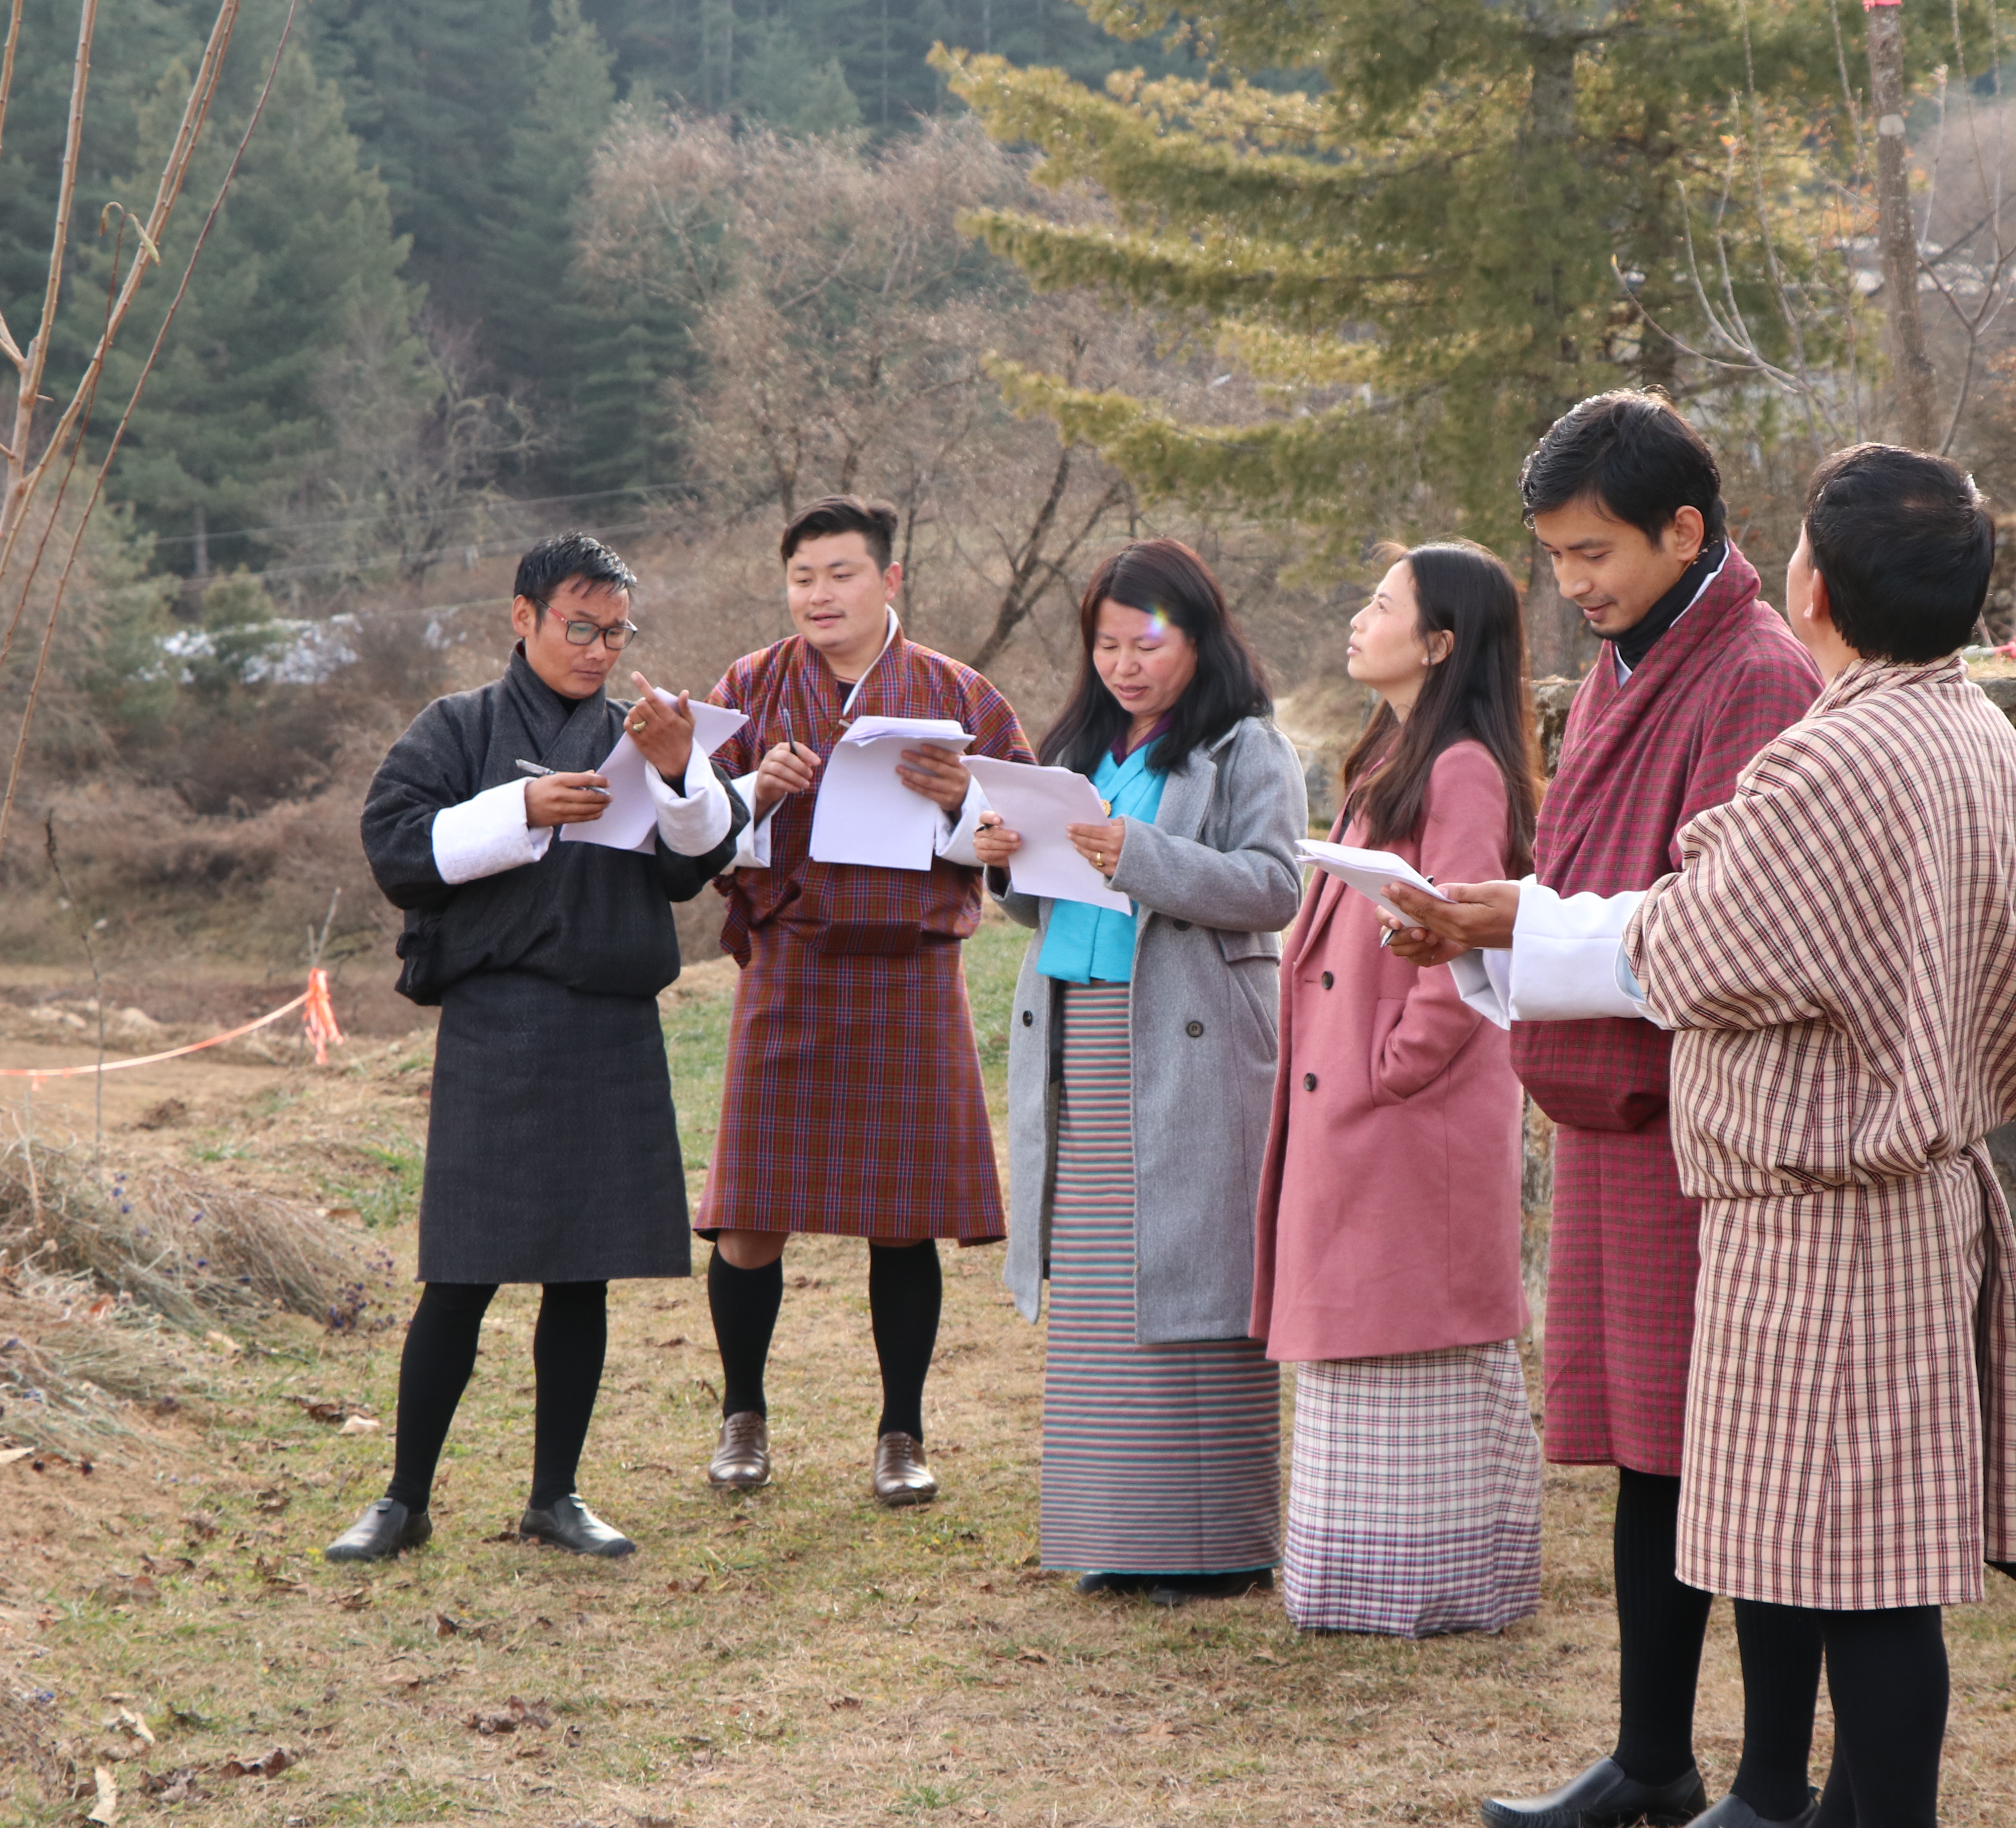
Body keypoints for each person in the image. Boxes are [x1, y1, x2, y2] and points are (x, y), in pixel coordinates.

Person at [1383, 444, 2016, 1828]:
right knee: (1843, 1559)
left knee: (1866, 1578)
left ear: (1812, 585)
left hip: (1835, 1197)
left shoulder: (1836, 753)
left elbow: (1702, 945)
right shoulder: (1979, 735)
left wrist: (1522, 921)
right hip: (1905, 1180)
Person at [1462, 393, 1832, 1828]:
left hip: (1705, 1108)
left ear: (1688, 531)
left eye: (1596, 553)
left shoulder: (1752, 670)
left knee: (1735, 1456)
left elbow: (1736, 921)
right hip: (1614, 1103)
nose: (1575, 586)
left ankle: (1772, 1782)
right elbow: (1593, 867)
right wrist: (1498, 933)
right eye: (1554, 558)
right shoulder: (1627, 659)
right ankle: (1652, 1747)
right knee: (1643, 1448)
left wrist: (1530, 930)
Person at [328, 534, 748, 1564]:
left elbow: (704, 861)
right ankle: (403, 1496)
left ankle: (555, 1493)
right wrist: (519, 807)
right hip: (498, 1022)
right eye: (581, 626)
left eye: (617, 631)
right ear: (523, 616)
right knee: (462, 1273)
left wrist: (680, 770)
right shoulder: (459, 727)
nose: (600, 650)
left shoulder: (640, 734)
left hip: (610, 1022)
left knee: (584, 1273)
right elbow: (395, 845)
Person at [969, 541, 1305, 1603]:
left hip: (1188, 1038)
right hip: (1084, 1039)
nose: (1125, 663)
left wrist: (1135, 853)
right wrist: (1005, 857)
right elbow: (1058, 901)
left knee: (1190, 1287)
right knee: (1108, 1307)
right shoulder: (1084, 747)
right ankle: (1115, 1530)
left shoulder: (1249, 747)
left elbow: (1271, 886)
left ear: (1198, 639)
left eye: (1146, 643)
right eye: (1107, 644)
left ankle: (1214, 1544)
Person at [695, 495, 1035, 1506]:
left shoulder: (956, 693)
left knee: (906, 1215)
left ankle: (902, 1429)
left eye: (840, 574)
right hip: (790, 959)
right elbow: (689, 829)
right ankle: (743, 1413)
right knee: (749, 1215)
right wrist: (753, 791)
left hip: (911, 967)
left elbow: (1023, 828)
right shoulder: (751, 686)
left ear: (890, 581)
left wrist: (958, 803)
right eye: (803, 577)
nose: (818, 594)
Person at [1248, 540, 1547, 1638]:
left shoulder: (1460, 763)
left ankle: (1428, 1579)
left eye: (1383, 604)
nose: (1359, 618)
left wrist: (1395, 1066)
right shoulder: (1396, 747)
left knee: (1406, 1328)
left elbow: (1463, 926)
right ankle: (1370, 1577)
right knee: (1368, 1328)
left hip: (1401, 1105)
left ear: (1439, 642)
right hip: (1366, 1098)